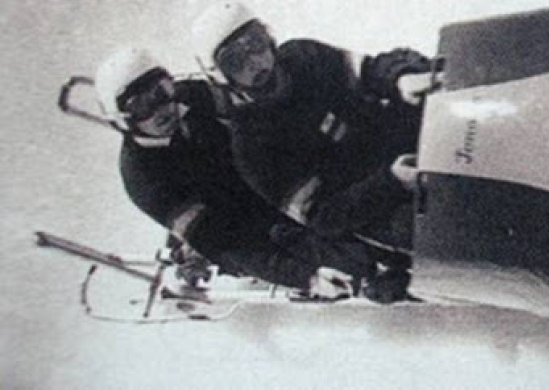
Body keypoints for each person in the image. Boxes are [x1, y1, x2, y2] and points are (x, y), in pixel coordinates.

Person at [94, 46, 379, 300]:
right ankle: (191, 250)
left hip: (266, 179)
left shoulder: (194, 96)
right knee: (330, 247)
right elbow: (227, 244)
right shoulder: (144, 181)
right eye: (141, 106)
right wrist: (305, 276)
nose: (161, 109)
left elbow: (264, 112)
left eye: (162, 91)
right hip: (234, 221)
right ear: (123, 120)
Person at [190, 2, 434, 259]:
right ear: (221, 75)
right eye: (235, 61)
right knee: (426, 225)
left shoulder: (303, 56)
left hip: (392, 140)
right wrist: (391, 183)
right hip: (373, 201)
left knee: (431, 83)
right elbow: (323, 215)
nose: (254, 62)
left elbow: (369, 70)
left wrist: (400, 77)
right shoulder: (252, 148)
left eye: (255, 44)